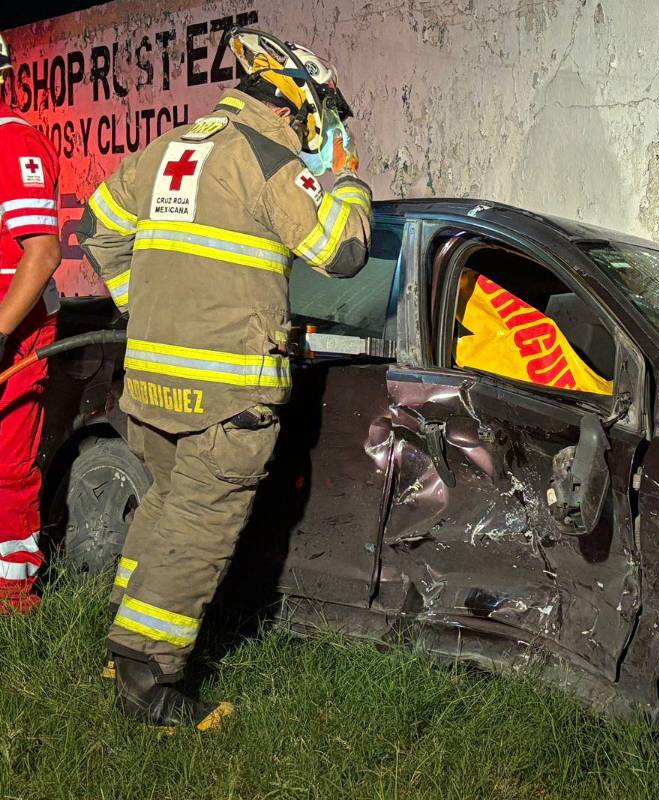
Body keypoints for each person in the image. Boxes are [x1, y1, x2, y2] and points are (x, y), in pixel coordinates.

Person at [77, 28, 372, 730]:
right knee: (202, 523)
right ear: (294, 103)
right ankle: (148, 678)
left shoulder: (169, 149)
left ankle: (121, 643)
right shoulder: (270, 159)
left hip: (153, 384)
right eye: (323, 114)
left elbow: (97, 228)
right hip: (225, 393)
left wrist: (145, 307)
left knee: (165, 509)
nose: (324, 129)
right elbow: (342, 252)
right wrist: (349, 182)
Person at [0, 32, 62, 614]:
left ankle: (12, 596)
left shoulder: (14, 141)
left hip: (15, 334)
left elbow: (42, 254)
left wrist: (0, 333)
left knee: (7, 466)